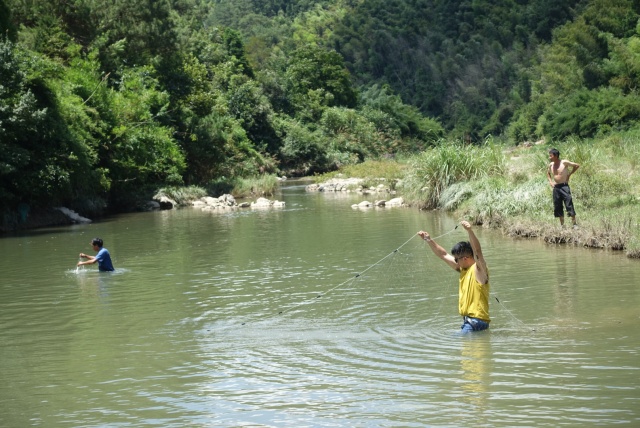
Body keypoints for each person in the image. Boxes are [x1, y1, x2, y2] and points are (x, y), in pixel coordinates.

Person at [418, 221, 490, 333]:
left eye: (456, 259)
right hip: (471, 323)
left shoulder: (479, 269)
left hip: (475, 323)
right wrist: (428, 240)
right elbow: (443, 255)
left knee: (454, 341)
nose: (455, 261)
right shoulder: (463, 270)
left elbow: (477, 251)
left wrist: (470, 231)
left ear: (465, 258)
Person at [547, 148, 580, 228]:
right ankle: (562, 225)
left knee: (569, 204)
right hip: (556, 187)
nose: (549, 157)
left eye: (550, 156)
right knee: (558, 206)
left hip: (564, 186)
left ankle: (574, 224)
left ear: (555, 155)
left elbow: (577, 165)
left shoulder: (564, 162)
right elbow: (548, 173)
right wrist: (551, 182)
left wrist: (569, 174)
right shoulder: (551, 164)